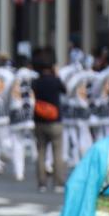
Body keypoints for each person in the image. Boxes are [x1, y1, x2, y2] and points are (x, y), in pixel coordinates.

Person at [32, 58, 67, 192]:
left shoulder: (36, 82)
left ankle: (42, 183)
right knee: (57, 152)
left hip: (39, 120)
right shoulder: (55, 81)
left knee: (41, 152)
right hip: (55, 120)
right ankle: (58, 183)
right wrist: (57, 75)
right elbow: (65, 90)